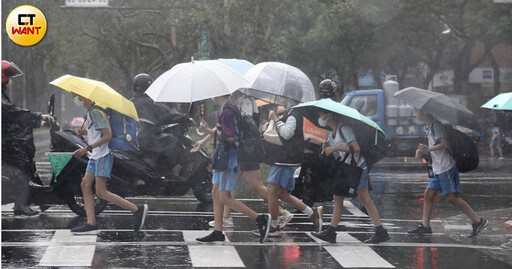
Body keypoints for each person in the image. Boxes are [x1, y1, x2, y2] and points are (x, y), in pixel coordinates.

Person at [194, 95, 293, 229]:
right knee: (223, 191)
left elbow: (232, 133)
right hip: (240, 150)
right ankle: (225, 219)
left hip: (244, 151)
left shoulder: (239, 104)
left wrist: (209, 132)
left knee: (252, 186)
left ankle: (277, 214)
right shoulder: (234, 104)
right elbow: (223, 128)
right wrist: (204, 139)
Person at [70, 93, 148, 235]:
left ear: (84, 97)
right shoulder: (91, 112)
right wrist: (85, 132)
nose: (74, 98)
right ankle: (91, 223)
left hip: (103, 155)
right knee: (85, 185)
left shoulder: (96, 112)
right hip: (96, 155)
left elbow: (107, 135)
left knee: (101, 191)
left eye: (75, 96)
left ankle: (137, 209)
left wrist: (86, 148)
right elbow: (97, 132)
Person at [408, 108, 488, 238]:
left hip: (446, 167)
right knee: (428, 194)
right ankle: (425, 226)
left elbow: (444, 144)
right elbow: (435, 146)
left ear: (424, 112)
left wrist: (428, 149)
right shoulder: (430, 126)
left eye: (416, 111)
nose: (415, 114)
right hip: (437, 167)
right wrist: (423, 150)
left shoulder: (437, 125)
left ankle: (479, 221)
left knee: (452, 198)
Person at [311, 110, 390, 243]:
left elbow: (356, 148)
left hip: (358, 168)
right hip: (348, 168)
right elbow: (340, 149)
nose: (319, 118)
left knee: (364, 199)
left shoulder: (344, 129)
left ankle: (380, 231)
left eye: (320, 115)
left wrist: (336, 148)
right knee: (338, 197)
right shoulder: (333, 133)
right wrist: (328, 147)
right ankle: (331, 231)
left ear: (328, 116)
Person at [264, 95, 322, 237]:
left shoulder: (294, 115)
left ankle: (274, 226)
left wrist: (276, 120)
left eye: (284, 98)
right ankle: (312, 213)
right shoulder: (293, 114)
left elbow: (287, 134)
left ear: (290, 98)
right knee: (283, 193)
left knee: (271, 191)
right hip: (290, 158)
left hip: (285, 159)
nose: (282, 101)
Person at [1, 60, 54, 216]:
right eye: (9, 75)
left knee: (26, 161)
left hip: (7, 138)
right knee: (22, 167)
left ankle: (32, 199)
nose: (10, 80)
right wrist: (37, 118)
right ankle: (21, 204)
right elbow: (13, 113)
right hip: (4, 141)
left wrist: (36, 119)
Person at [130, 73, 191, 175]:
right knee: (173, 142)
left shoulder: (130, 102)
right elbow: (167, 115)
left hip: (133, 141)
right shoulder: (149, 103)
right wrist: (185, 118)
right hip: (148, 139)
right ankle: (165, 171)